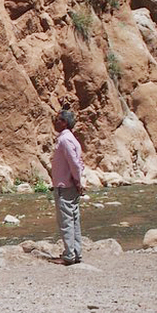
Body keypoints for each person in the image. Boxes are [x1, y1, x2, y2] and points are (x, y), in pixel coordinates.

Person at [51, 107, 85, 265]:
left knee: (66, 222)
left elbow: (74, 164)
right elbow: (79, 163)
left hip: (65, 186)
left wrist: (78, 181)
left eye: (57, 120)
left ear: (64, 122)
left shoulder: (64, 140)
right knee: (74, 220)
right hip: (70, 185)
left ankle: (69, 256)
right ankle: (76, 253)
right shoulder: (72, 139)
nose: (54, 122)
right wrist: (78, 181)